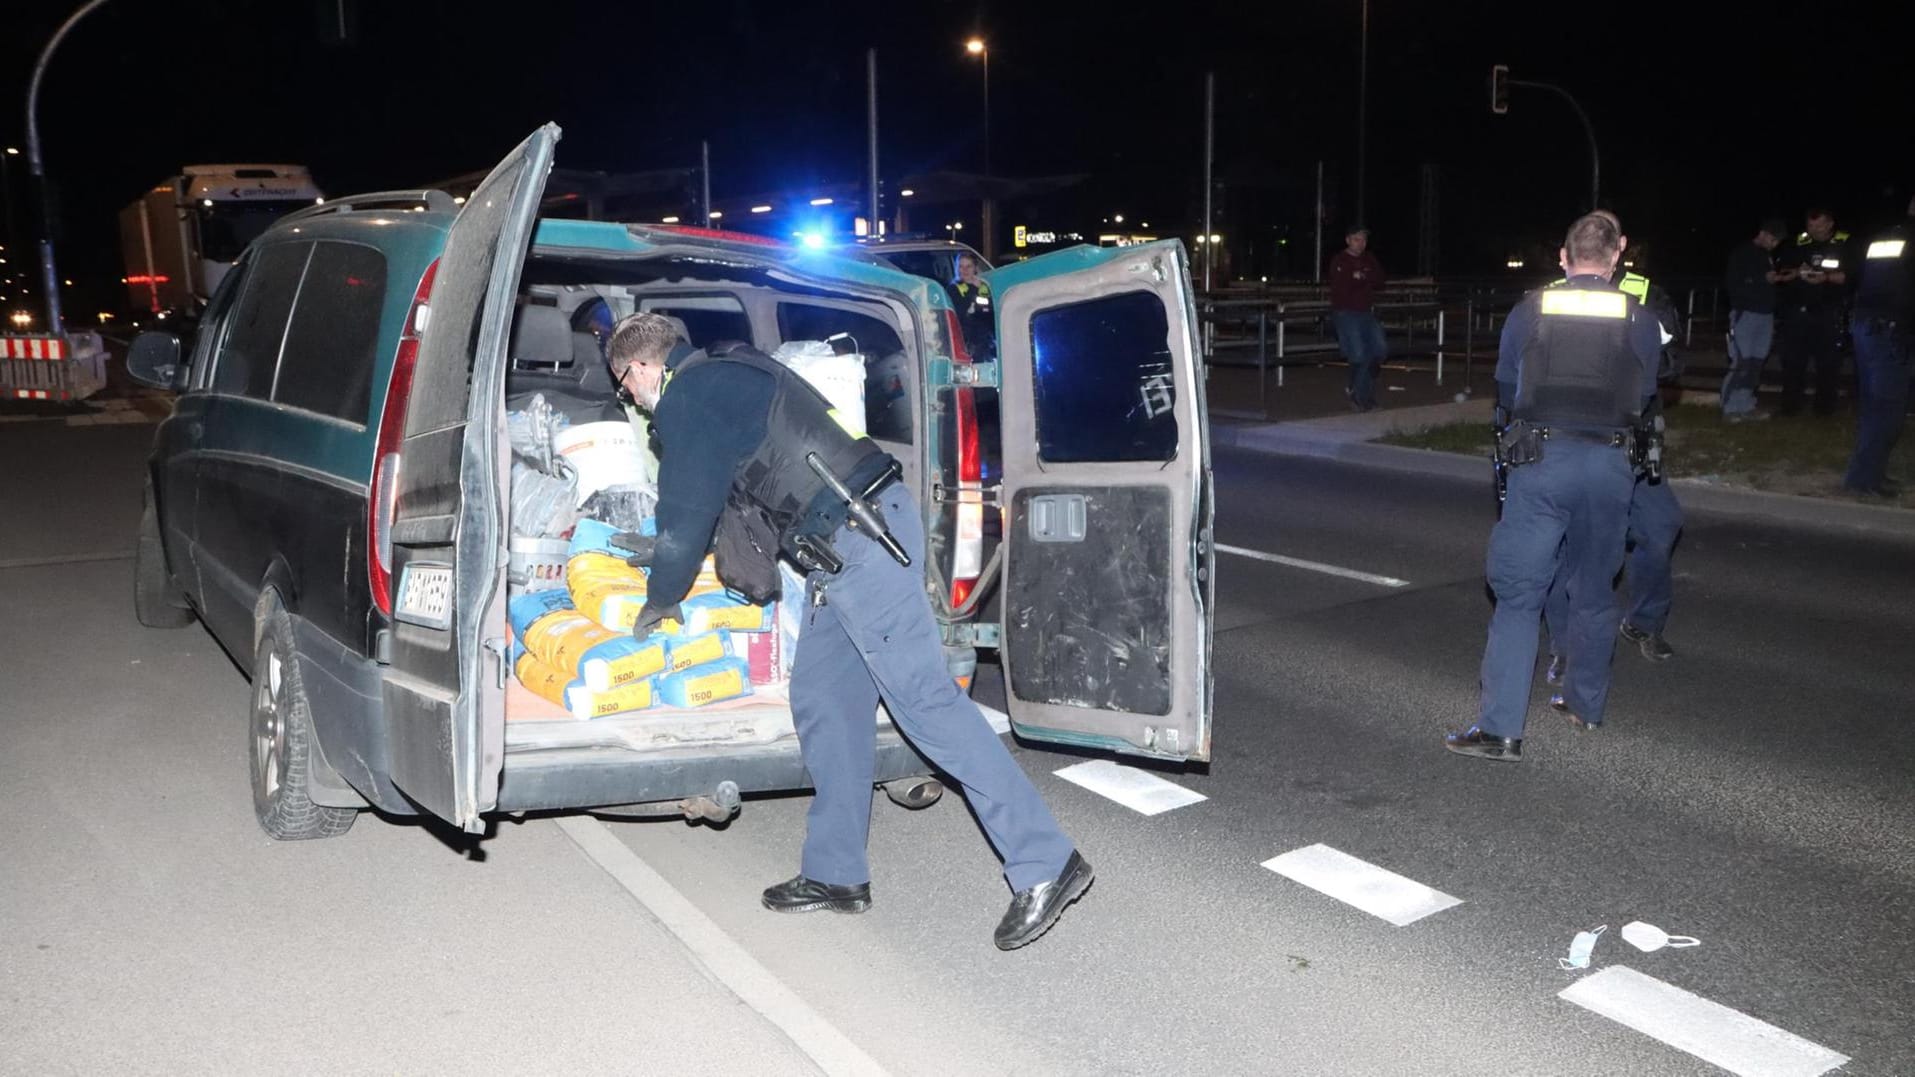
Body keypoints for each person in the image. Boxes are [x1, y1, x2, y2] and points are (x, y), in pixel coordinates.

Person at [603, 313, 1092, 950]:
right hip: (845, 545)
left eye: (625, 386)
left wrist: (661, 595)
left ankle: (1045, 860)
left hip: (860, 542)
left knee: (925, 705)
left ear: (642, 367)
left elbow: (685, 513)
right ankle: (836, 875)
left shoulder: (688, 397)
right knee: (825, 698)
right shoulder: (729, 370)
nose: (631, 400)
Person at [1448, 213, 1663, 760]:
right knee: (1593, 591)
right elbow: (1647, 396)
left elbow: (1505, 391)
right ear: (1617, 258)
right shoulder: (1639, 315)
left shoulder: (1531, 309)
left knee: (1519, 595)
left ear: (1563, 258)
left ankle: (1500, 731)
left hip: (1542, 460)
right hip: (1612, 466)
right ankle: (1584, 707)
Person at [1841, 194, 1914, 497]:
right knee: (1888, 407)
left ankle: (1868, 475)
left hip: (1869, 325)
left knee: (1876, 406)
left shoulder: (1888, 236)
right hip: (1890, 331)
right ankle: (1864, 481)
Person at [1775, 209, 1852, 416]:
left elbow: (1852, 277)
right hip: (1797, 313)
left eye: (1819, 226)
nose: (1814, 230)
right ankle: (1790, 409)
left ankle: (1824, 411)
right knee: (1792, 362)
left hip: (1828, 313)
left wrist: (1825, 278)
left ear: (1830, 224)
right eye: (1810, 226)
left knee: (1828, 363)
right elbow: (1781, 273)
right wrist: (1797, 273)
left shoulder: (1845, 244)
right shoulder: (1796, 243)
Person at [1720, 218, 1790, 420]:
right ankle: (1730, 408)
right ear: (1764, 233)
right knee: (1741, 362)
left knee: (1756, 363)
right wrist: (1762, 280)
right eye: (1774, 240)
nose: (1775, 245)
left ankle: (1746, 405)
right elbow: (1733, 286)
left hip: (1765, 315)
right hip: (1745, 314)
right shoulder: (1742, 254)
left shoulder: (1766, 256)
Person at [1328, 224, 1388, 411]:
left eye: (1363, 239)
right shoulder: (1340, 260)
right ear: (1348, 240)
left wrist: (1360, 277)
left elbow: (1379, 280)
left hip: (1366, 312)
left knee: (1379, 350)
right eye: (1356, 239)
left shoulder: (1369, 259)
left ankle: (1355, 388)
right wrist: (1361, 278)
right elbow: (1341, 288)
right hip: (1346, 313)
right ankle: (1363, 397)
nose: (1360, 243)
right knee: (1359, 354)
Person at [948, 253, 996, 358]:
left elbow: (992, 309)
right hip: (968, 341)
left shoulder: (985, 286)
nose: (964, 270)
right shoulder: (954, 288)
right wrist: (974, 290)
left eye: (968, 266)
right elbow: (962, 313)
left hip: (986, 340)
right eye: (961, 266)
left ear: (975, 268)